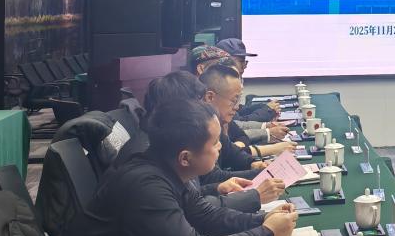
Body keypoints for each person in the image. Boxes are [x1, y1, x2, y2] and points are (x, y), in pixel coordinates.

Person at [56, 99, 298, 236]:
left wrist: (263, 219)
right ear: (185, 158)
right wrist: (266, 234)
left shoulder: (164, 167)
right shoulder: (146, 185)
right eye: (214, 143)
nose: (220, 147)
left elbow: (207, 216)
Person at [115, 71, 285, 212]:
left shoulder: (169, 139)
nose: (204, 108)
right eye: (200, 103)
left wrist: (217, 188)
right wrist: (262, 220)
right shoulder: (150, 156)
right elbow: (192, 220)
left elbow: (190, 198)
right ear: (179, 110)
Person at [199, 65, 294, 171]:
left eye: (238, 100)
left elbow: (242, 137)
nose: (237, 107)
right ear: (210, 97)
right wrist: (258, 170)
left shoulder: (219, 119)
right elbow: (213, 177)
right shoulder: (200, 125)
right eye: (234, 100)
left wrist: (253, 163)